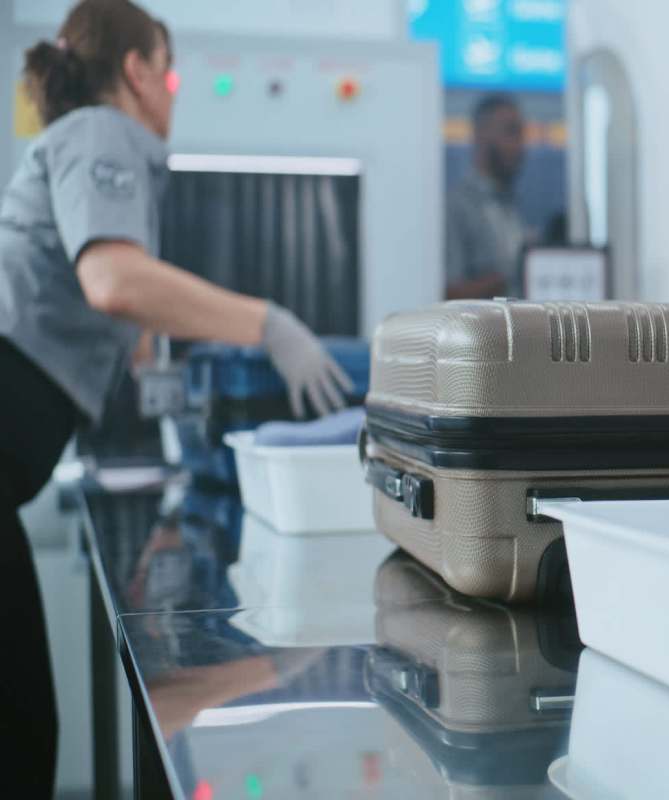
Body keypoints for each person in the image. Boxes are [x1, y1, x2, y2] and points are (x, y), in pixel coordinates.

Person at [0, 1, 349, 792]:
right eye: (171, 70)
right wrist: (269, 323)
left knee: (23, 727)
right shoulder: (101, 131)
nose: (174, 91)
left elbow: (114, 301)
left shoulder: (83, 146)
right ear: (137, 71)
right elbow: (114, 280)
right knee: (20, 733)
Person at [445, 92, 530, 299]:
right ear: (481, 135)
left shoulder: (509, 205)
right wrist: (515, 271)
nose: (520, 146)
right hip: (483, 330)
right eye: (511, 132)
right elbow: (449, 292)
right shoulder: (456, 206)